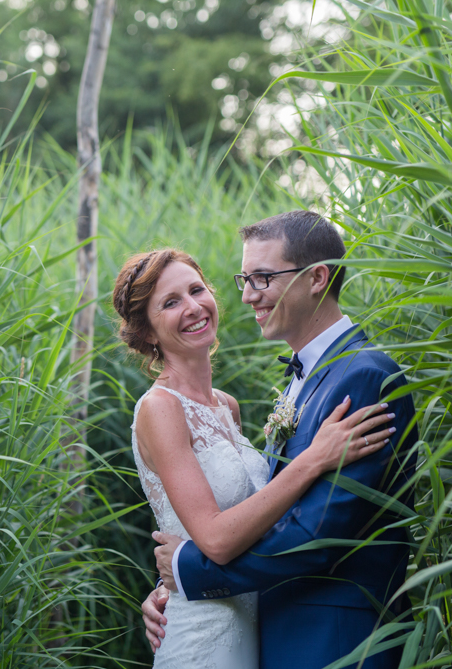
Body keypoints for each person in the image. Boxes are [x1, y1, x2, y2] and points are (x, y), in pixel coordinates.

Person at [139, 211, 417, 669]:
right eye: (245, 279)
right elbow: (261, 513)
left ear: (317, 278)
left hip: (336, 641)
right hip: (273, 633)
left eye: (263, 278)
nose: (248, 296)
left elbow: (318, 534)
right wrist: (175, 591)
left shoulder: (364, 376)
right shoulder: (301, 381)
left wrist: (189, 574)